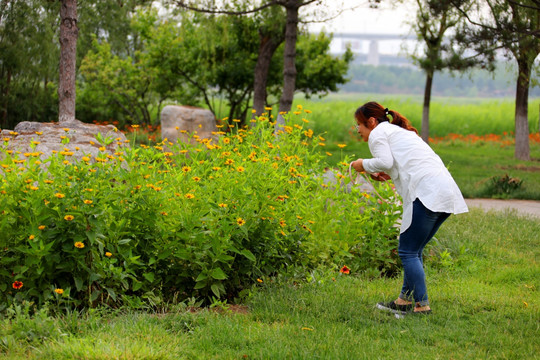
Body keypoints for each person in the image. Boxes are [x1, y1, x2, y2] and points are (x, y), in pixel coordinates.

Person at [351, 101, 468, 316]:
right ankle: (404, 300)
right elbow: (396, 163)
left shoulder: (378, 133)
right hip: (444, 191)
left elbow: (384, 160)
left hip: (427, 192)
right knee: (414, 250)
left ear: (371, 121)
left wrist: (363, 165)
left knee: (407, 251)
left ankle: (422, 306)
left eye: (359, 124)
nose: (357, 129)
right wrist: (386, 173)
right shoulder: (398, 132)